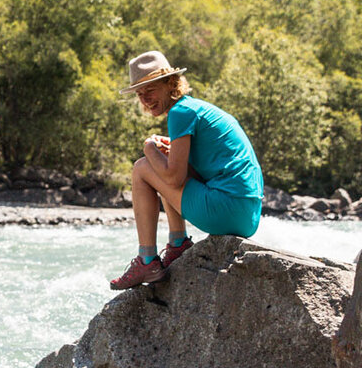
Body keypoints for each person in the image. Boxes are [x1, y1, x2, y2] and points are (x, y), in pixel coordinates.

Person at [110, 50, 264, 289]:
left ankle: (147, 260)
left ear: (170, 83)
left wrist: (149, 147)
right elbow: (195, 170)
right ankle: (177, 244)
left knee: (142, 167)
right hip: (247, 217)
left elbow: (174, 178)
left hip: (226, 209)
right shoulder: (195, 108)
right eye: (140, 94)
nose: (145, 99)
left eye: (150, 90)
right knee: (161, 161)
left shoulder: (180, 113)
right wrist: (165, 151)